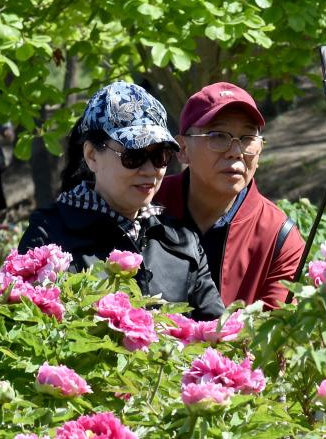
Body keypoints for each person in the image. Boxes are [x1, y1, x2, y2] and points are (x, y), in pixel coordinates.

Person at [19, 82, 224, 320]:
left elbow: (218, 335)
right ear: (91, 156)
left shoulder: (182, 242)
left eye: (160, 156)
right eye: (134, 155)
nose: (150, 170)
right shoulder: (48, 237)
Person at [153, 83, 304, 308]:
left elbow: (274, 334)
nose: (235, 152)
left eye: (247, 138)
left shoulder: (279, 237)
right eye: (218, 136)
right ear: (183, 149)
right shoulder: (147, 204)